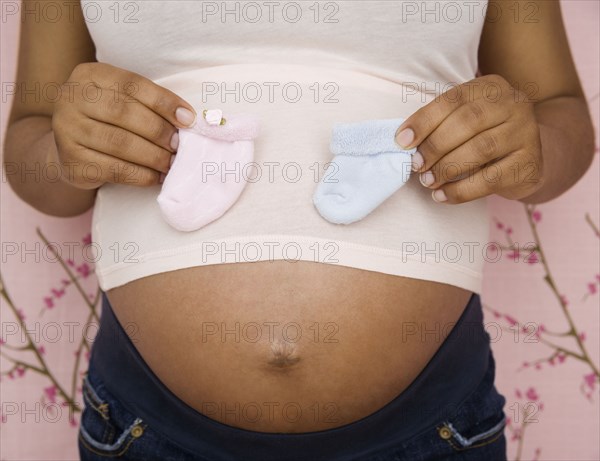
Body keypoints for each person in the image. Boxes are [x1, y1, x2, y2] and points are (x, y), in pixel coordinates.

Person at [4, 1, 595, 460]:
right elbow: (32, 145)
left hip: (432, 421)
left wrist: (533, 150)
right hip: (149, 425)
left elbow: (562, 110)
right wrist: (63, 153)